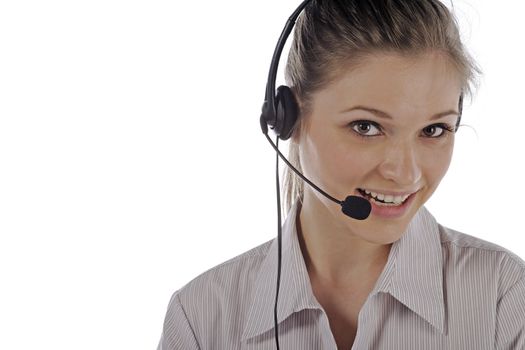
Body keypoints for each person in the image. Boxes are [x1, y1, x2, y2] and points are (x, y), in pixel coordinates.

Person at [157, 0, 525, 349]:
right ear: (290, 119)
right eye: (366, 127)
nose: (405, 173)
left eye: (434, 130)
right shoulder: (202, 320)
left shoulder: (503, 299)